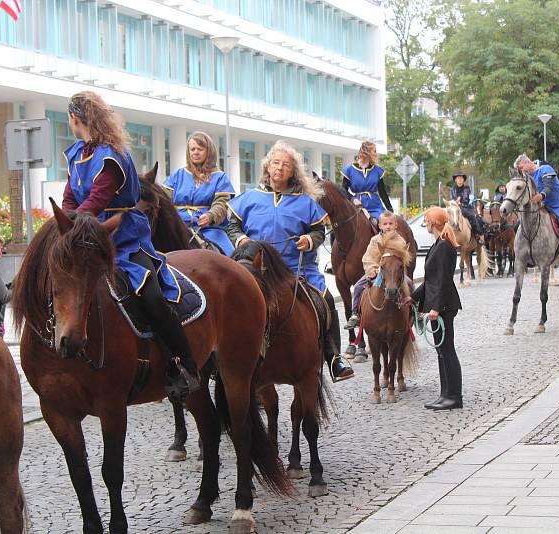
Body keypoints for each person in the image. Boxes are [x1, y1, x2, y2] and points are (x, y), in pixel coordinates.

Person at [61, 91, 199, 402]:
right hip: (89, 240)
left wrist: (74, 221)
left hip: (125, 240)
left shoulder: (112, 156)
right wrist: (63, 223)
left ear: (74, 119)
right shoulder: (76, 155)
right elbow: (71, 198)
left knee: (150, 295)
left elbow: (98, 199)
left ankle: (183, 363)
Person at [227, 140, 353, 382]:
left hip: (297, 267)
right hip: (257, 267)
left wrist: (309, 239)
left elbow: (318, 231)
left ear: (293, 171)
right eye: (276, 163)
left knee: (325, 298)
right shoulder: (249, 198)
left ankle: (334, 356)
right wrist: (240, 238)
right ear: (267, 167)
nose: (279, 168)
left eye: (285, 165)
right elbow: (233, 225)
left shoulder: (306, 202)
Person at [404, 206, 462, 410]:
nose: (425, 223)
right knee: (441, 352)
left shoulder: (444, 247)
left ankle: (454, 396)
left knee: (447, 351)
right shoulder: (438, 244)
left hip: (445, 307)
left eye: (427, 220)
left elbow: (444, 281)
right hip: (440, 306)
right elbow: (430, 281)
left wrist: (436, 308)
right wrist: (412, 298)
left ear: (432, 223)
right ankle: (445, 394)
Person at [164, 132, 236, 255]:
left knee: (230, 256)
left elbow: (222, 204)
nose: (195, 152)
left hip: (209, 228)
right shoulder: (177, 175)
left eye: (200, 149)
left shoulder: (220, 177)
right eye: (192, 149)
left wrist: (211, 216)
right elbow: (164, 199)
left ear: (209, 152)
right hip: (177, 227)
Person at [345, 211, 409, 330]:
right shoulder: (375, 240)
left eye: (391, 223)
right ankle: (355, 314)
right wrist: (372, 269)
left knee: (410, 284)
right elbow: (368, 257)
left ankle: (415, 312)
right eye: (385, 224)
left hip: (394, 273)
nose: (388, 226)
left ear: (396, 225)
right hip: (379, 272)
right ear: (380, 226)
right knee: (358, 286)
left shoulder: (400, 241)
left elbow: (403, 258)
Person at [514, 154, 559, 268]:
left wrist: (541, 196)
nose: (521, 171)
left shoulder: (545, 169)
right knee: (519, 227)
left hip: (556, 205)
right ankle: (529, 255)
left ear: (527, 163)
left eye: (521, 168)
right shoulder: (526, 176)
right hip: (540, 207)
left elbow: (548, 187)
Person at [340, 141, 393, 221]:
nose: (376, 154)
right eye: (374, 151)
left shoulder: (377, 170)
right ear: (366, 152)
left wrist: (390, 210)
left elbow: (383, 193)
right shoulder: (349, 170)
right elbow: (343, 191)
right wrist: (353, 199)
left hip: (375, 206)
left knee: (382, 223)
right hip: (357, 206)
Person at [450, 171, 484, 238]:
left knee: (472, 216)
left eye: (461, 178)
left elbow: (465, 198)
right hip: (455, 207)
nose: (459, 180)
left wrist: (459, 199)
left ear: (463, 180)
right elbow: (453, 198)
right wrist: (456, 201)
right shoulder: (452, 189)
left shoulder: (467, 188)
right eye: (458, 178)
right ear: (455, 180)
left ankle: (478, 233)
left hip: (465, 207)